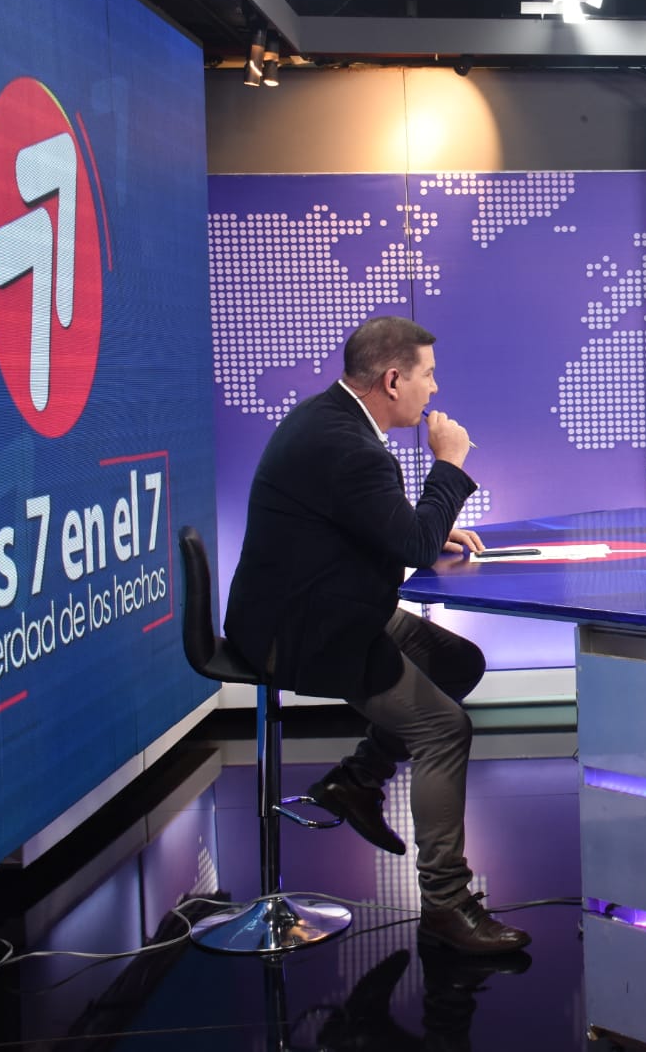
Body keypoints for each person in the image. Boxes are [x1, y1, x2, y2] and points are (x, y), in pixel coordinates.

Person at [224, 315, 528, 956]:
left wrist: (418, 530)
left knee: (459, 662)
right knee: (444, 729)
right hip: (303, 631)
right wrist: (449, 464)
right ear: (393, 380)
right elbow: (410, 545)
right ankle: (446, 904)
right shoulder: (351, 448)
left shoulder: (332, 421)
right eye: (428, 375)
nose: (434, 389)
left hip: (320, 603)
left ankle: (359, 780)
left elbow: (381, 528)